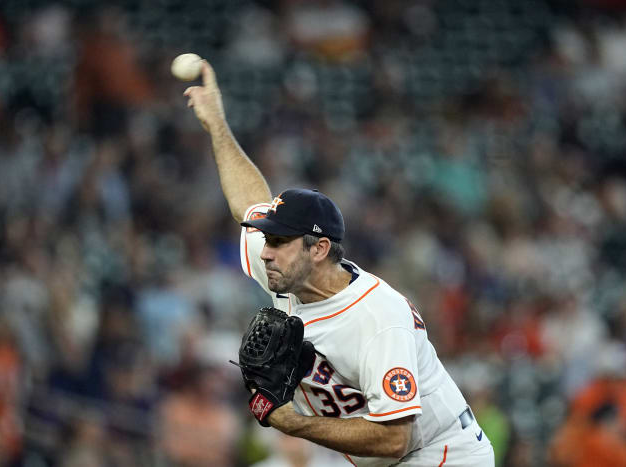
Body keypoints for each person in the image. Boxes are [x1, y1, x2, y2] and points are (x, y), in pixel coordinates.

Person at [183, 60, 494, 467]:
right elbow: (248, 203)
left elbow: (393, 439)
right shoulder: (285, 271)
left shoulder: (378, 318)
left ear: (318, 248)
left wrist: (291, 423)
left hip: (441, 455)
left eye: (278, 240)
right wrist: (217, 126)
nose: (265, 251)